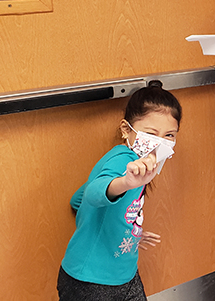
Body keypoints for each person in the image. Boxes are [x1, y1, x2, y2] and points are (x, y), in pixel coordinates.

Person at [57, 80, 181, 301]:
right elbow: (94, 193)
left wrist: (129, 232)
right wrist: (126, 183)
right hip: (90, 281)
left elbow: (78, 199)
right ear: (127, 130)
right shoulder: (124, 161)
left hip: (126, 275)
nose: (158, 143)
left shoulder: (143, 165)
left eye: (169, 135)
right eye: (151, 133)